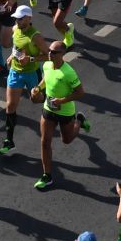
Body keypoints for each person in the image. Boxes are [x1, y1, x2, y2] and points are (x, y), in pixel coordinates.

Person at [34, 40, 89, 191]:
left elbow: (80, 93)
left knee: (67, 140)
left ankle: (79, 120)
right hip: (49, 109)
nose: (50, 54)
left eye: (54, 52)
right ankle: (47, 176)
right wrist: (38, 88)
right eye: (50, 51)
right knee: (45, 142)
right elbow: (46, 79)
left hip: (65, 112)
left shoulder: (68, 72)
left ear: (62, 54)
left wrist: (62, 101)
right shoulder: (46, 65)